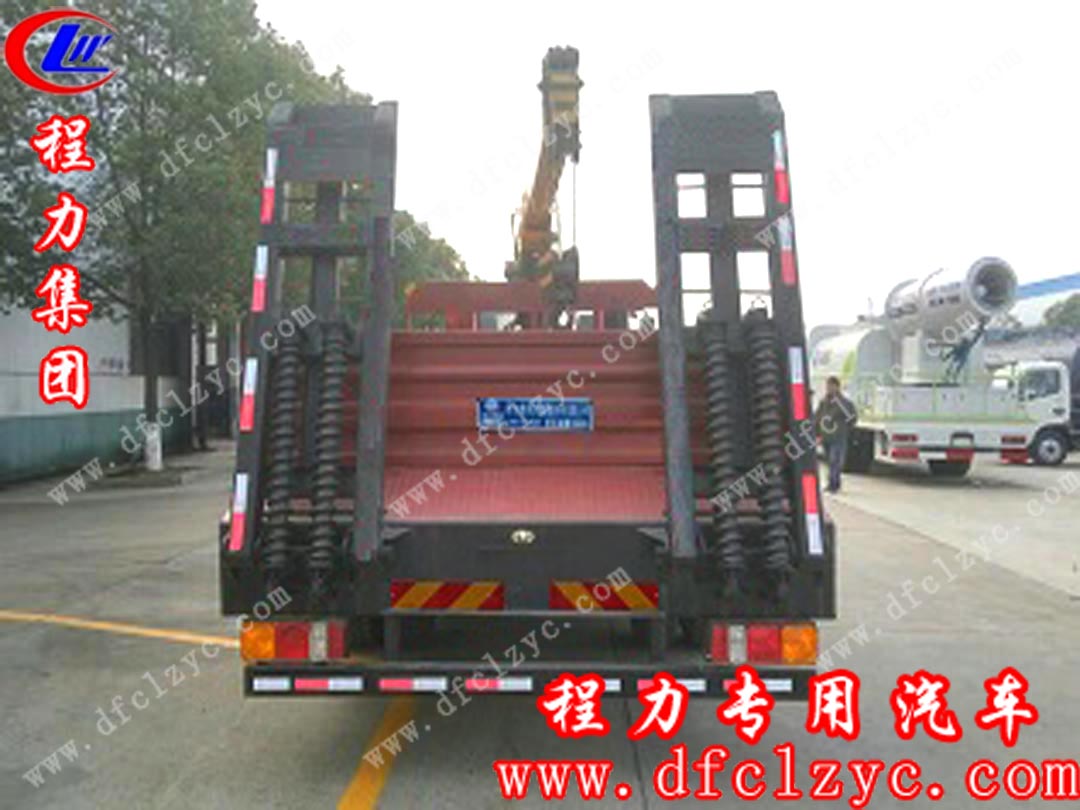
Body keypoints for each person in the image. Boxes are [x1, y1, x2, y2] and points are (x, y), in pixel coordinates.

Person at [814, 376, 858, 493]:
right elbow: (817, 418)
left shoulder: (844, 403)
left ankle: (834, 483)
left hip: (838, 437)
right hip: (826, 437)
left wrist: (845, 430)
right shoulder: (824, 402)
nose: (829, 388)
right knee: (829, 461)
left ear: (837, 387)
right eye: (828, 386)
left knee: (835, 460)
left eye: (831, 386)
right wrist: (817, 433)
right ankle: (831, 483)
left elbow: (852, 418)